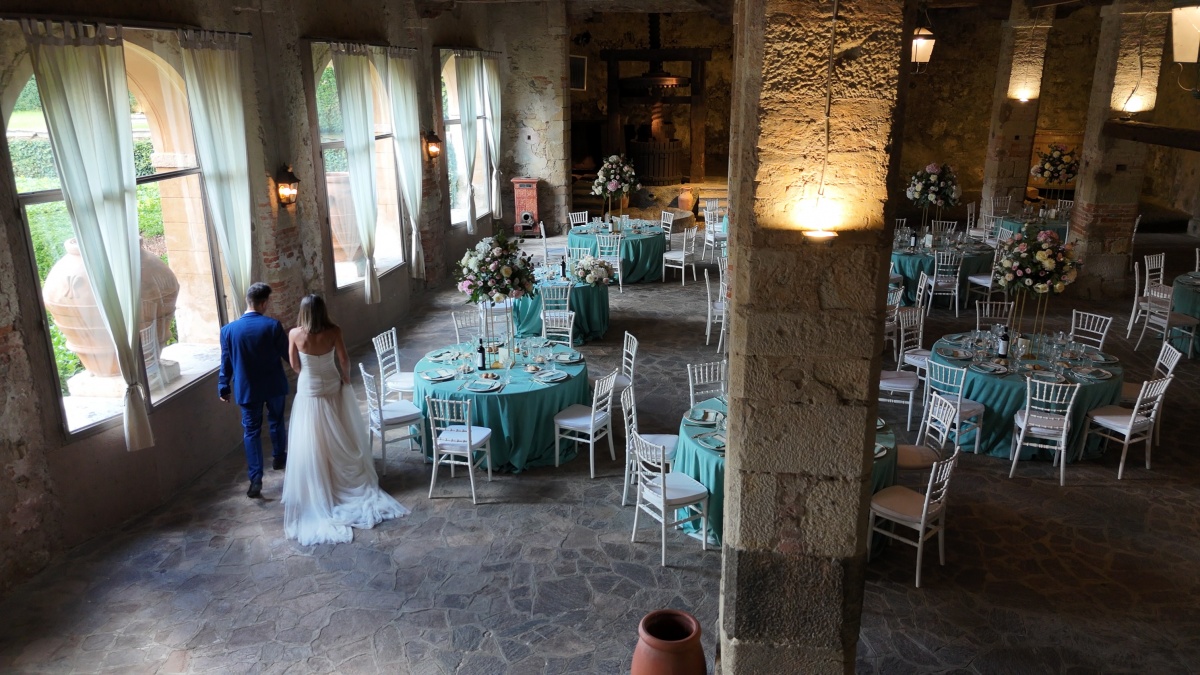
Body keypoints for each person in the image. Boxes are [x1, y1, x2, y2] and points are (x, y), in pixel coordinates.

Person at [282, 294, 408, 545]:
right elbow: (343, 359)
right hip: (331, 384)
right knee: (338, 429)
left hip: (309, 388)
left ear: (303, 312)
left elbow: (294, 365)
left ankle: (320, 475)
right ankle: (341, 475)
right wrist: (346, 377)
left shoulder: (295, 334)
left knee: (313, 434)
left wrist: (308, 374)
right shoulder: (334, 331)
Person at [219, 282, 290, 499]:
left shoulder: (227, 330)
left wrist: (223, 386)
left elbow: (226, 362)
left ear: (247, 301)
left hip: (247, 388)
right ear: (264, 303)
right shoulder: (273, 326)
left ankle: (256, 478)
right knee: (276, 421)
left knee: (251, 432)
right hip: (274, 384)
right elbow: (287, 354)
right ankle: (279, 458)